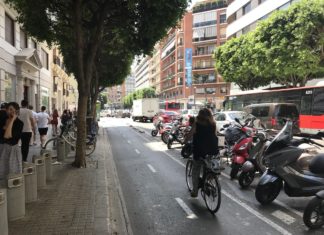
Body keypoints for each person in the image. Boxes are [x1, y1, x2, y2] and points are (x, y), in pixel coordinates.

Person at [191, 108, 219, 197]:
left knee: (195, 170)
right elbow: (215, 135)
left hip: (200, 150)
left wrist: (185, 140)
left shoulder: (197, 123)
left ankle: (195, 191)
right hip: (213, 150)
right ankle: (210, 182)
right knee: (210, 168)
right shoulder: (213, 124)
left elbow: (191, 133)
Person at [0, 102, 24, 179]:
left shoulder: (19, 123)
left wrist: (13, 120)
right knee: (2, 172)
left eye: (11, 109)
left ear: (16, 111)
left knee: (13, 172)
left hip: (12, 149)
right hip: (2, 148)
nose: (9, 111)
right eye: (8, 109)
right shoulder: (3, 120)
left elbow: (7, 135)